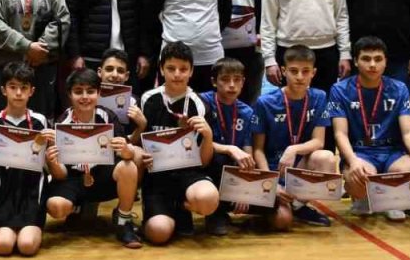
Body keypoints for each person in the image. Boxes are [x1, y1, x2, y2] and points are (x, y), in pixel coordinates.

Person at [326, 36, 410, 221]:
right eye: (366, 59)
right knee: (358, 179)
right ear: (356, 61)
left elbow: (408, 132)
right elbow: (340, 134)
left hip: (393, 153)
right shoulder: (340, 90)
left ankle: (388, 200)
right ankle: (370, 197)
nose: (372, 64)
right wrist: (353, 161)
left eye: (378, 59)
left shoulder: (399, 88)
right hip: (361, 153)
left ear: (385, 62)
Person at [45, 68, 143, 249]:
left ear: (98, 94)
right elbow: (60, 175)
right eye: (78, 91)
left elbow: (127, 155)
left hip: (102, 175)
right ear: (69, 94)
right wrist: (52, 161)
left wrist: (125, 149)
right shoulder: (62, 122)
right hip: (74, 178)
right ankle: (77, 208)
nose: (85, 97)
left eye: (90, 91)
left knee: (129, 165)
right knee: (56, 207)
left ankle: (123, 220)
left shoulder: (107, 116)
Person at [138, 42, 219, 242]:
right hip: (157, 178)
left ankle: (182, 208)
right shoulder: (148, 99)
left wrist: (208, 136)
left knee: (209, 200)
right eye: (171, 68)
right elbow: (139, 144)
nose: (177, 74)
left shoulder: (199, 104)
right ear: (161, 69)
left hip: (188, 174)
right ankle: (161, 214)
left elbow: (204, 162)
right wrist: (143, 155)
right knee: (158, 233)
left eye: (183, 69)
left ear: (191, 71)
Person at [251, 45, 337, 230]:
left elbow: (319, 141)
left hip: (298, 166)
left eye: (305, 71)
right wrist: (270, 183)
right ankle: (273, 206)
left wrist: (294, 149)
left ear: (313, 73)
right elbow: (257, 149)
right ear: (283, 71)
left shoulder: (319, 97)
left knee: (327, 158)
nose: (299, 76)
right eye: (294, 71)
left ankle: (298, 205)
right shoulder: (265, 102)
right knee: (282, 221)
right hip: (273, 169)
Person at [0, 61, 50, 257]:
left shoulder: (40, 121)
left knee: (27, 246)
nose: (18, 93)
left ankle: (31, 227)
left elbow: (45, 161)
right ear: (3, 90)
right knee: (4, 246)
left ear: (32, 91)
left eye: (24, 87)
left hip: (31, 193)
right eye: (13, 87)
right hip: (3, 195)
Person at [198, 57, 260, 235]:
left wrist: (244, 190)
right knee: (219, 157)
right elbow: (197, 142)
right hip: (206, 164)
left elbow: (248, 154)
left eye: (237, 80)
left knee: (275, 205)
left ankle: (232, 207)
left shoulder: (247, 112)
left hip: (234, 172)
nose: (231, 85)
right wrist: (229, 148)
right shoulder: (202, 103)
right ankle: (215, 214)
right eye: (225, 79)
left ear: (243, 82)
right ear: (214, 82)